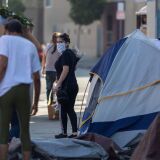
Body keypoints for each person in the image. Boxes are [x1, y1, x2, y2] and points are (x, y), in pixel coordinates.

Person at [0, 19, 41, 160]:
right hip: (24, 90)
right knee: (25, 131)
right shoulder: (30, 45)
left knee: (3, 132)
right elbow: (36, 78)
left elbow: (2, 64)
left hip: (7, 90)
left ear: (8, 30)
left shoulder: (4, 40)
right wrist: (35, 102)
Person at [54, 33, 79, 138]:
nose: (59, 44)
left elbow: (65, 70)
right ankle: (65, 133)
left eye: (61, 42)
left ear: (67, 43)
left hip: (68, 86)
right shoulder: (70, 53)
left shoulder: (66, 54)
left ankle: (74, 133)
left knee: (69, 109)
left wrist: (58, 84)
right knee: (64, 110)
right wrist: (58, 82)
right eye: (57, 42)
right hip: (70, 84)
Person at [42, 32, 61, 105]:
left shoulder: (48, 46)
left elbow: (44, 57)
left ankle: (48, 101)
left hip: (49, 70)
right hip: (55, 71)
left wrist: (43, 68)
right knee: (55, 87)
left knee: (49, 87)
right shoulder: (59, 47)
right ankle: (52, 100)